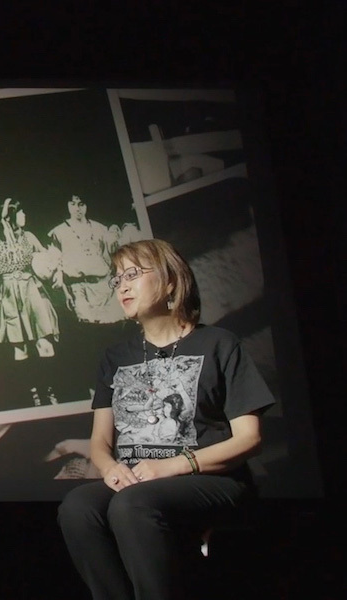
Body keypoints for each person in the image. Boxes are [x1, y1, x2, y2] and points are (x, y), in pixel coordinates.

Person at [57, 239, 274, 600]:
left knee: (132, 505)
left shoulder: (219, 344)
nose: (121, 285)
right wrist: (110, 468)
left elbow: (249, 439)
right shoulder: (115, 357)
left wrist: (174, 465)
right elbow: (100, 442)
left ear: (170, 281)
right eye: (116, 278)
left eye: (132, 274)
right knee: (78, 508)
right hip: (137, 480)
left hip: (210, 478)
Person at [0, 198, 61, 407]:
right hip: (8, 294)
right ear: (10, 216)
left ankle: (49, 392)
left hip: (31, 290)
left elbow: (47, 259)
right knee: (19, 347)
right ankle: (33, 396)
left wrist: (57, 270)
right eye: (21, 212)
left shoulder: (29, 236)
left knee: (44, 342)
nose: (24, 216)